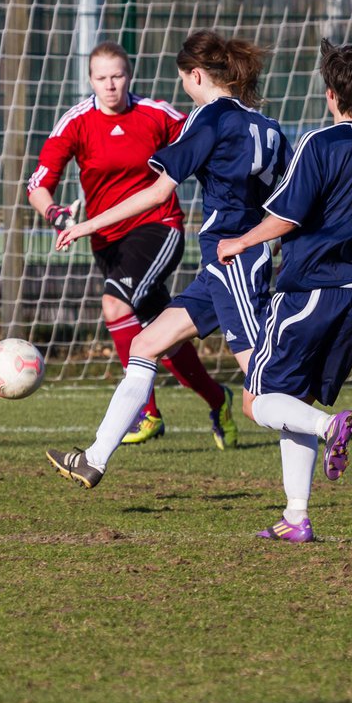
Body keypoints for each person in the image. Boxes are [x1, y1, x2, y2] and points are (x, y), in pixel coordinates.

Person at [46, 30, 291, 488]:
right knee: (145, 345)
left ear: (196, 75)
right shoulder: (269, 127)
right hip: (225, 266)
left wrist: (86, 225)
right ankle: (95, 458)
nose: (183, 87)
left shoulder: (208, 119)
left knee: (264, 387)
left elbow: (158, 192)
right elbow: (286, 201)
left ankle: (334, 410)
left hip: (231, 259)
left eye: (183, 78)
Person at [217, 39, 352, 542]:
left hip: (308, 293)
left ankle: (328, 427)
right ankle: (297, 516)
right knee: (295, 398)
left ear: (331, 94)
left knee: (258, 400)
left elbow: (286, 216)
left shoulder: (319, 144)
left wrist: (240, 240)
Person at [27, 41, 237, 448]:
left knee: (115, 306)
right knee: (165, 336)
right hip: (106, 240)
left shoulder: (156, 114)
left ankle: (147, 413)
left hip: (158, 227)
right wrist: (56, 214)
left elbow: (207, 138)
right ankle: (218, 398)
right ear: (90, 80)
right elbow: (38, 184)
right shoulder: (76, 122)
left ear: (130, 75)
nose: (111, 85)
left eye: (118, 76)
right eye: (102, 78)